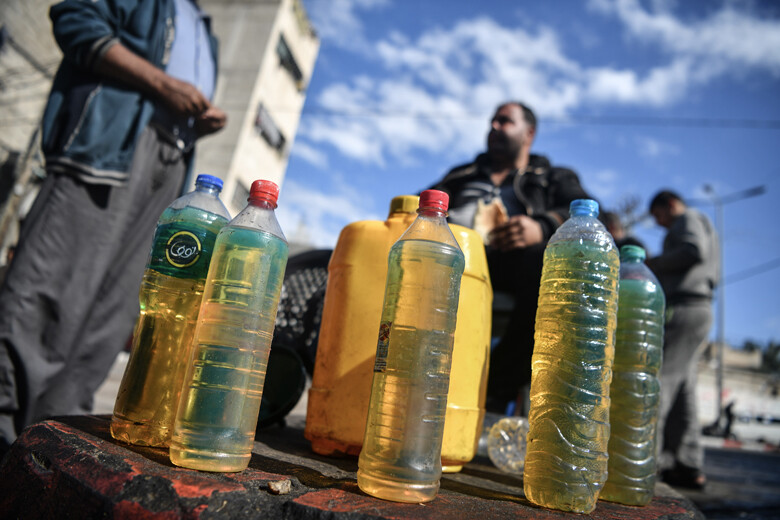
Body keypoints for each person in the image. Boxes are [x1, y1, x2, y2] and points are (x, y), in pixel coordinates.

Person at [0, 0, 226, 452]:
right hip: (111, 147)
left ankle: (54, 441)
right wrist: (164, 83)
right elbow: (75, 19)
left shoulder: (205, 25)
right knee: (50, 292)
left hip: (172, 161)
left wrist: (197, 116)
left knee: (116, 309)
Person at [428, 101, 591, 414]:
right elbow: (419, 202)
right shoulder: (462, 175)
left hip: (513, 262)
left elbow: (587, 212)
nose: (494, 126)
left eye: (505, 121)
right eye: (492, 120)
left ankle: (496, 386)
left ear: (529, 133)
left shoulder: (551, 176)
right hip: (451, 257)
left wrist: (542, 226)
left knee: (547, 262)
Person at [646, 190, 719, 490]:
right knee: (683, 390)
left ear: (671, 204)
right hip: (696, 308)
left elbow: (693, 250)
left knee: (661, 380)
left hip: (685, 307)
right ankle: (687, 466)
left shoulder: (688, 218)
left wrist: (655, 263)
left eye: (659, 215)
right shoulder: (696, 220)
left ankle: (645, 461)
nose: (659, 224)